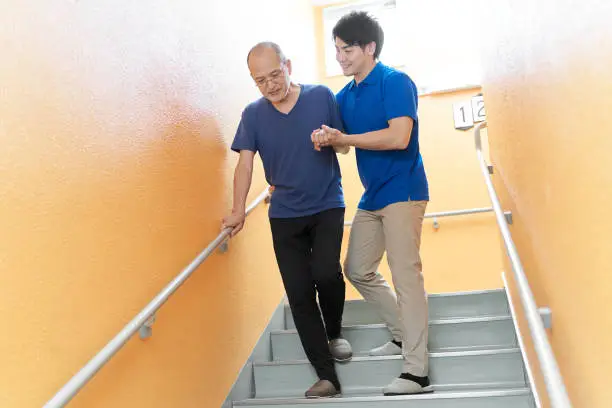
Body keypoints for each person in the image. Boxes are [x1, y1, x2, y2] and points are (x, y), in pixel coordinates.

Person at [312, 12, 432, 396]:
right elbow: (347, 144)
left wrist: (346, 136)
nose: (340, 57)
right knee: (357, 268)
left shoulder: (395, 82)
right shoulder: (344, 96)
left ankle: (416, 372)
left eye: (347, 49)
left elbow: (399, 137)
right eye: (336, 50)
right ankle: (401, 334)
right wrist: (332, 137)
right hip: (373, 194)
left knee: (405, 275)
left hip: (404, 190)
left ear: (370, 48)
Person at [223, 42, 352, 399]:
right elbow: (245, 163)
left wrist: (332, 140)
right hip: (284, 214)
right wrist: (237, 210)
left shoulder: (321, 96)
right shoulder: (253, 114)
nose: (270, 85)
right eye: (260, 80)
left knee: (326, 272)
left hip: (327, 203)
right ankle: (327, 376)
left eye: (275, 75)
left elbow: (344, 145)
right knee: (298, 293)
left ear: (288, 66)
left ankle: (335, 331)